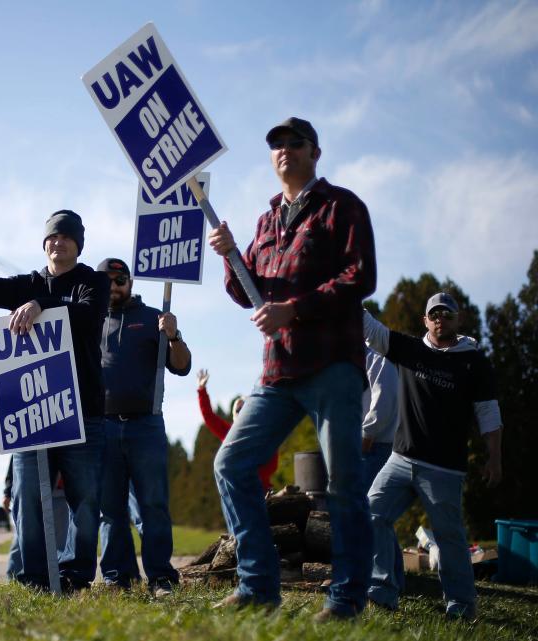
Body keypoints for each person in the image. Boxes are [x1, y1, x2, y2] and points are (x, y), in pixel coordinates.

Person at [207, 117, 377, 620]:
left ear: (315, 152)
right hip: (278, 372)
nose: (284, 150)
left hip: (331, 366)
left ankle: (346, 599)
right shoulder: (266, 221)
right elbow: (249, 294)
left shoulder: (341, 206)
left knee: (344, 485)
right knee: (231, 464)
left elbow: (360, 276)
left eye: (294, 143)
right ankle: (259, 586)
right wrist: (230, 256)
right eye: (277, 145)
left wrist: (295, 308)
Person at [0, 210, 109, 592]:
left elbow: (89, 314)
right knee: (27, 498)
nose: (57, 242)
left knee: (85, 499)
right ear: (44, 244)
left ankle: (75, 575)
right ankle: (34, 580)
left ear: (78, 244)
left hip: (83, 410)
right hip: (33, 415)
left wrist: (41, 305)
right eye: (51, 237)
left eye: (66, 237)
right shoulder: (28, 282)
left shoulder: (93, 281)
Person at [364, 293, 502, 619]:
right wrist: (345, 291)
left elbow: (489, 414)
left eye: (447, 314)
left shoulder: (474, 363)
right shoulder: (409, 349)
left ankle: (462, 609)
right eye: (434, 314)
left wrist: (494, 457)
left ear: (458, 319)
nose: (441, 318)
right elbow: (369, 329)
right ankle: (382, 592)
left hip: (444, 470)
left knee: (451, 539)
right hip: (400, 460)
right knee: (371, 513)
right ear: (425, 320)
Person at [95, 257, 191, 596]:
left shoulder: (153, 318)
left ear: (130, 282)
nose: (113, 285)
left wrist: (174, 335)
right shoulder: (89, 321)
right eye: (106, 279)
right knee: (110, 510)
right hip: (103, 427)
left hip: (146, 426)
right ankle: (117, 579)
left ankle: (161, 578)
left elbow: (182, 366)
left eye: (120, 279)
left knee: (153, 505)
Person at [196, 370, 278, 491]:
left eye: (245, 407)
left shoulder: (262, 433)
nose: (242, 411)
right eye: (238, 409)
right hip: (241, 492)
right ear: (234, 416)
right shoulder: (230, 434)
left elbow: (273, 464)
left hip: (262, 491)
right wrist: (201, 390)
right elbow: (209, 417)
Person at [361, 347, 399, 490]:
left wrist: (367, 434)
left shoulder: (377, 355)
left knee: (362, 505)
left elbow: (385, 400)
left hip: (373, 446)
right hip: (357, 446)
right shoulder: (344, 354)